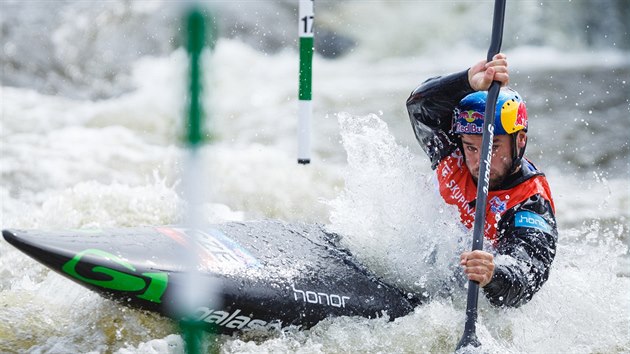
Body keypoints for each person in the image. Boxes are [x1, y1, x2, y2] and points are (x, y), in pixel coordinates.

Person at [405, 53, 558, 307]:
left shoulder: (531, 201)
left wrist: (493, 274)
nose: (479, 161)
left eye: (492, 148)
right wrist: (467, 81)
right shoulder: (451, 152)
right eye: (471, 148)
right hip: (418, 273)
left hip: (462, 297)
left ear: (520, 141)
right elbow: (419, 107)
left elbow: (528, 274)